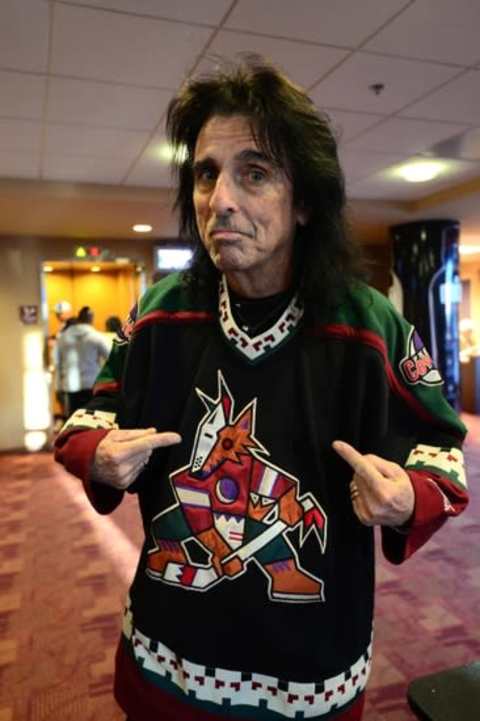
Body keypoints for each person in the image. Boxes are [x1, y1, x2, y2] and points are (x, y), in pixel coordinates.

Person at [55, 58, 469, 721]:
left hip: (311, 663)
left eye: (254, 173)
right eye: (206, 173)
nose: (219, 199)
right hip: (170, 656)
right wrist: (96, 453)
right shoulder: (158, 315)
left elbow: (443, 445)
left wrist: (408, 495)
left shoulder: (369, 326)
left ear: (304, 200)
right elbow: (85, 420)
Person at [55, 305, 110, 416]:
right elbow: (110, 357)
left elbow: (58, 363)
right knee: (92, 419)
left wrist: (58, 387)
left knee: (73, 419)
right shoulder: (96, 337)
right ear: (91, 319)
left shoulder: (63, 337)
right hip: (92, 384)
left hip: (71, 386)